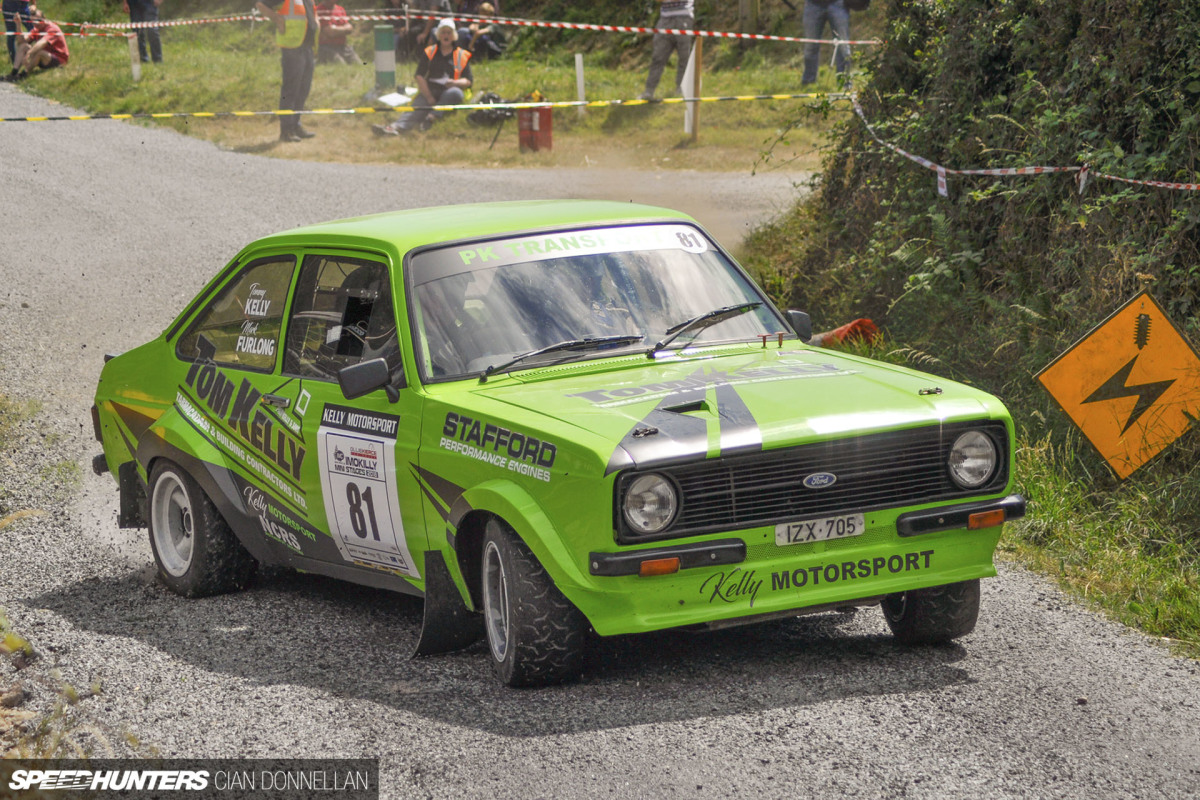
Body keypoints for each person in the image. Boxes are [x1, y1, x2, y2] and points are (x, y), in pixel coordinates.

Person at [373, 17, 471, 136]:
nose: (446, 36)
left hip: (450, 91)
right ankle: (394, 127)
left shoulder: (462, 54)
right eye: (443, 32)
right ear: (438, 35)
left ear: (454, 35)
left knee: (455, 93)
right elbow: (419, 75)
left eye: (449, 33)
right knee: (415, 109)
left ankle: (430, 118)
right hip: (430, 90)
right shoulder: (429, 51)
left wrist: (456, 83)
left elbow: (468, 80)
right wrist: (429, 97)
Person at [255, 0, 316, 142]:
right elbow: (260, 4)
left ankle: (296, 125)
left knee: (303, 89)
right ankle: (286, 130)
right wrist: (277, 19)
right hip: (292, 47)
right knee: (291, 90)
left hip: (307, 46)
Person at [639, 0, 694, 101]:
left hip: (683, 17)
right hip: (664, 19)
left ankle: (681, 90)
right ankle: (649, 91)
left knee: (684, 57)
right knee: (658, 57)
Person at [3, 5, 67, 82]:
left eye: (38, 20)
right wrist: (18, 25)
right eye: (34, 22)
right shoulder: (36, 29)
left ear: (44, 18)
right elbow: (21, 41)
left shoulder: (52, 28)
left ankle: (23, 75)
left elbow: (42, 43)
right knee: (23, 46)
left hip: (59, 59)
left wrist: (29, 54)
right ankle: (13, 73)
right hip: (45, 58)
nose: (36, 23)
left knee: (40, 52)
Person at [800, 0, 850, 85]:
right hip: (812, 4)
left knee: (843, 46)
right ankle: (808, 81)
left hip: (838, 4)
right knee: (810, 46)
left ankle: (844, 82)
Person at [123, 0, 163, 64]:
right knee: (137, 32)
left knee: (152, 30)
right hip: (134, 4)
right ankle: (143, 59)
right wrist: (125, 2)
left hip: (150, 3)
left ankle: (157, 59)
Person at [2, 0, 34, 66]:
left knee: (34, 30)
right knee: (12, 34)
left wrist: (33, 3)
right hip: (10, 4)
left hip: (24, 4)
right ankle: (16, 62)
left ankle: (35, 57)